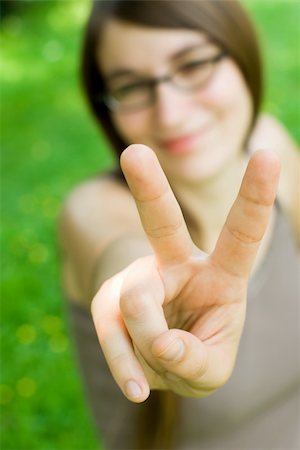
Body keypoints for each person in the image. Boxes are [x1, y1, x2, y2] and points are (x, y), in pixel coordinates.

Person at [58, 1, 300, 449]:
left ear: (242, 54)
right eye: (131, 86)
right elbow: (119, 254)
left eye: (192, 64)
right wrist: (134, 286)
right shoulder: (91, 209)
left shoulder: (272, 149)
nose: (170, 113)